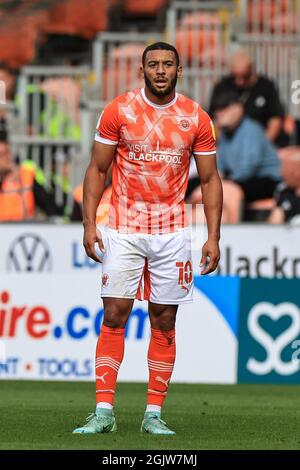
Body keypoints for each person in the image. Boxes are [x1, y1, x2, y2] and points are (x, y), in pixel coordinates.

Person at [73, 42, 222, 436]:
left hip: (172, 233)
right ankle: (104, 412)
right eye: (153, 64)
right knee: (114, 314)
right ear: (142, 71)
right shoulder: (119, 110)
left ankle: (153, 414)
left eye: (167, 64)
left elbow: (209, 179)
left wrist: (213, 236)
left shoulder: (195, 117)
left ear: (179, 70)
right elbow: (96, 169)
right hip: (123, 228)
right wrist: (90, 224)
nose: (160, 70)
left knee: (165, 321)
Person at [213, 91, 281, 223]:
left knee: (230, 190)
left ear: (237, 108)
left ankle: (232, 231)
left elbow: (249, 167)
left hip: (267, 181)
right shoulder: (225, 134)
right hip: (243, 179)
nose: (219, 114)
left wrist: (227, 182)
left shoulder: (251, 130)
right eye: (218, 110)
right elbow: (220, 166)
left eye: (224, 108)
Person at [209, 49, 284, 143]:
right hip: (228, 142)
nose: (240, 81)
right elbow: (213, 120)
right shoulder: (222, 87)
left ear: (251, 69)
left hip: (258, 141)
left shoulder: (266, 87)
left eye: (245, 76)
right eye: (236, 76)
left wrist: (263, 145)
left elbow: (275, 119)